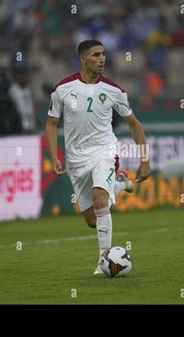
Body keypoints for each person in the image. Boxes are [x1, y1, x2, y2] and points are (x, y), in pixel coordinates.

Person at [45, 40, 151, 275]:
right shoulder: (63, 89)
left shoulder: (115, 90)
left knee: (101, 200)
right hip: (75, 159)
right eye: (96, 55)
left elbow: (134, 125)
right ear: (83, 58)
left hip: (104, 151)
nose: (102, 59)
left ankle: (104, 261)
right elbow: (51, 124)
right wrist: (54, 156)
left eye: (103, 54)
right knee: (93, 220)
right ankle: (120, 184)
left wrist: (145, 159)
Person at [9, 61, 37, 133]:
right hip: (17, 123)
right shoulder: (13, 90)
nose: (24, 77)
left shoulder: (28, 88)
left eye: (25, 75)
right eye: (21, 75)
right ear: (15, 76)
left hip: (30, 120)